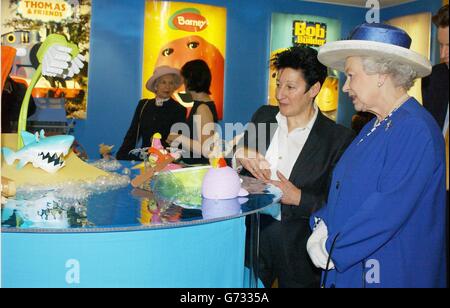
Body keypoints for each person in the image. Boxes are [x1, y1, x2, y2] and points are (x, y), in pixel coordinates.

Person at [307, 23, 446, 288]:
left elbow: (386, 210)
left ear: (381, 74)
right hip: (356, 265)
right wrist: (323, 222)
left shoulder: (415, 129)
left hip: (390, 271)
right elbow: (347, 190)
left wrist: (333, 246)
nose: (346, 87)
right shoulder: (375, 125)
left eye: (351, 75)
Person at [235, 46, 354, 288]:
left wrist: (297, 197)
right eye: (278, 85)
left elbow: (340, 206)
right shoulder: (264, 117)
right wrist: (239, 156)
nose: (280, 94)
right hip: (253, 235)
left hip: (299, 247)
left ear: (314, 89)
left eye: (290, 87)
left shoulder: (337, 139)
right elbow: (234, 168)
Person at [421, 3, 449, 284]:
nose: (443, 55)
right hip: (437, 191)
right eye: (441, 45)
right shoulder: (435, 78)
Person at [116, 66, 186, 160]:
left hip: (166, 160)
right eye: (163, 82)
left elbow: (178, 141)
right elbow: (133, 133)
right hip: (144, 159)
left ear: (174, 87)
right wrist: (121, 155)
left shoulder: (179, 109)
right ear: (156, 86)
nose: (167, 86)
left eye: (171, 83)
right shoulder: (144, 105)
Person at [166, 59, 218, 165]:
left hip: (198, 169)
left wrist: (178, 138)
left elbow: (207, 149)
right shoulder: (201, 105)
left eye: (184, 80)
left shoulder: (202, 108)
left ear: (189, 81)